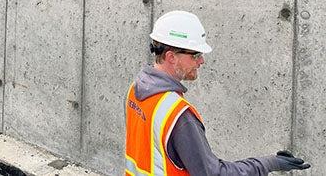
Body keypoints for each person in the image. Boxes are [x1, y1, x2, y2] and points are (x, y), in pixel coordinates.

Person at [125, 10, 311, 176]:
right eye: (195, 55)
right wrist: (269, 163)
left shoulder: (135, 90)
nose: (201, 61)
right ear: (171, 57)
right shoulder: (178, 116)